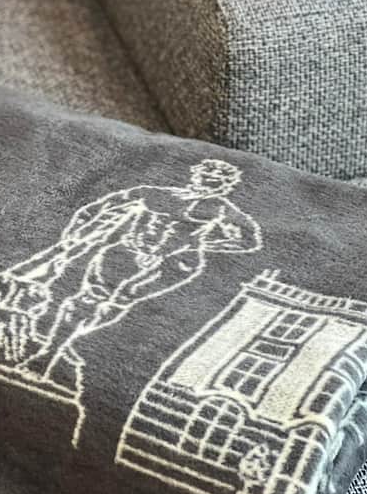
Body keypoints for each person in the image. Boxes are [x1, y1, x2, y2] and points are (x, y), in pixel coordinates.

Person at [15, 158, 263, 383]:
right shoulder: (154, 193)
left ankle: (73, 337)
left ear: (225, 186)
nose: (211, 182)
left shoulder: (221, 209)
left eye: (218, 180)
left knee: (122, 299)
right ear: (197, 175)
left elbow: (249, 239)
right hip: (128, 250)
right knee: (88, 299)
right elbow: (102, 205)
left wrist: (200, 245)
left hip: (175, 263)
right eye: (208, 175)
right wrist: (75, 234)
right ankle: (52, 351)